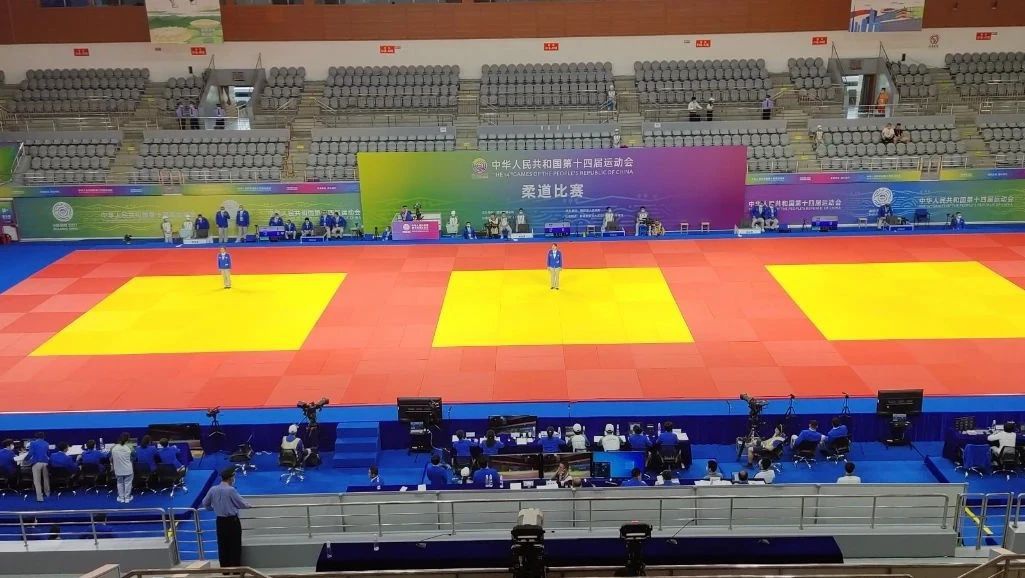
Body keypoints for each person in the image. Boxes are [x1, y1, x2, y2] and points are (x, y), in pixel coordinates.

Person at [201, 468, 252, 568]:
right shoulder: (231, 490)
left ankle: (224, 570)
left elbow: (205, 503)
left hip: (220, 521)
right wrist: (249, 505)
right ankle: (236, 569)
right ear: (230, 478)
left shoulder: (213, 489)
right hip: (232, 521)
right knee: (235, 545)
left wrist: (212, 509)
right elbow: (241, 503)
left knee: (222, 545)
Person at [110, 432, 134, 504]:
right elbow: (135, 457)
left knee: (119, 483)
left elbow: (108, 456)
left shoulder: (113, 447)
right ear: (128, 439)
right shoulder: (130, 447)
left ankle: (121, 498)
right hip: (128, 469)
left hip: (118, 469)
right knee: (128, 483)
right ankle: (127, 498)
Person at [27, 432, 50, 502]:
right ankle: (47, 494)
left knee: (37, 481)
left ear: (36, 437)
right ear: (43, 437)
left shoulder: (33, 443)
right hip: (45, 463)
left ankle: (40, 498)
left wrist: (25, 459)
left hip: (36, 463)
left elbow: (30, 453)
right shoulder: (46, 443)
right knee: (46, 479)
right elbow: (47, 454)